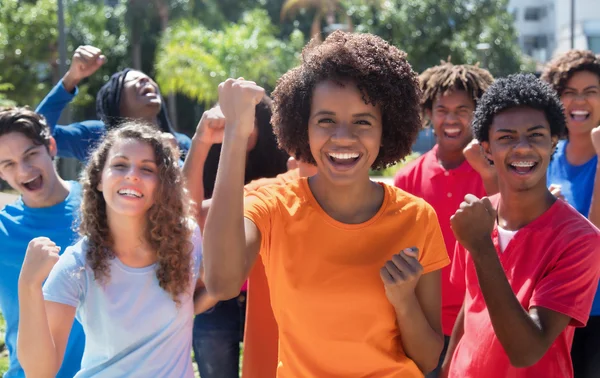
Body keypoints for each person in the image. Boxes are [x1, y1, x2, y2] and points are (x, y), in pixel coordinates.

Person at [202, 31, 450, 377]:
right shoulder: (271, 206)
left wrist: (404, 301)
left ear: (386, 129)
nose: (343, 137)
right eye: (326, 120)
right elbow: (221, 283)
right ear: (303, 127)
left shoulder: (417, 217)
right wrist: (235, 133)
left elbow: (427, 360)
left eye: (363, 122)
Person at [17, 123, 215, 377]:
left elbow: (195, 298)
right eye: (120, 165)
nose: (132, 175)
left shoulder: (187, 238)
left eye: (147, 168)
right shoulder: (77, 265)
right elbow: (39, 372)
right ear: (99, 179)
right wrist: (28, 286)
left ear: (162, 186)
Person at [442, 74, 600, 378]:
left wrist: (481, 246)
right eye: (506, 137)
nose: (523, 148)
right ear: (487, 148)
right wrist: (447, 370)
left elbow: (526, 350)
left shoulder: (580, 240)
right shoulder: (477, 217)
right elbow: (471, 304)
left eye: (536, 135)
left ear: (553, 140)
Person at [393, 62, 495, 377]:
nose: (451, 119)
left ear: (478, 113)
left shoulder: (494, 173)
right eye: (442, 109)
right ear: (428, 112)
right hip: (424, 325)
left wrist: (489, 174)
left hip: (482, 322)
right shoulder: (408, 177)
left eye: (462, 109)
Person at [183, 99, 288, 378]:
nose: (237, 120)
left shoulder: (283, 163)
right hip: (213, 296)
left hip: (270, 296)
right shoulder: (209, 157)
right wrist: (202, 141)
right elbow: (186, 215)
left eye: (247, 114)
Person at [0, 107, 85, 378]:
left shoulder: (101, 204)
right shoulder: (2, 229)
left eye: (30, 155)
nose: (23, 170)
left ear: (51, 147)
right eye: (8, 164)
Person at [541, 50, 600, 378]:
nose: (579, 101)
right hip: (554, 307)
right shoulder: (545, 154)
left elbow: (596, 239)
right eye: (569, 93)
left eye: (590, 92)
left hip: (596, 312)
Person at [35, 45, 191, 162]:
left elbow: (198, 198)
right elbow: (36, 135)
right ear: (117, 103)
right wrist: (71, 78)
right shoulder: (96, 138)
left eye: (146, 78)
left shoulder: (182, 144)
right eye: (133, 80)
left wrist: (173, 159)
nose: (145, 79)